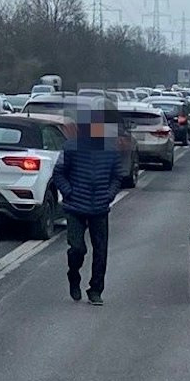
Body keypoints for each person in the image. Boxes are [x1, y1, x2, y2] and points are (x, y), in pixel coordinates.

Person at [50, 100, 125, 304]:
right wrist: (68, 192)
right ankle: (73, 275)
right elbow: (58, 173)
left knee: (101, 252)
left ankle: (95, 290)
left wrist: (109, 194)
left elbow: (117, 177)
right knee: (77, 248)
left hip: (100, 207)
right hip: (75, 207)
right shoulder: (71, 147)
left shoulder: (110, 150)